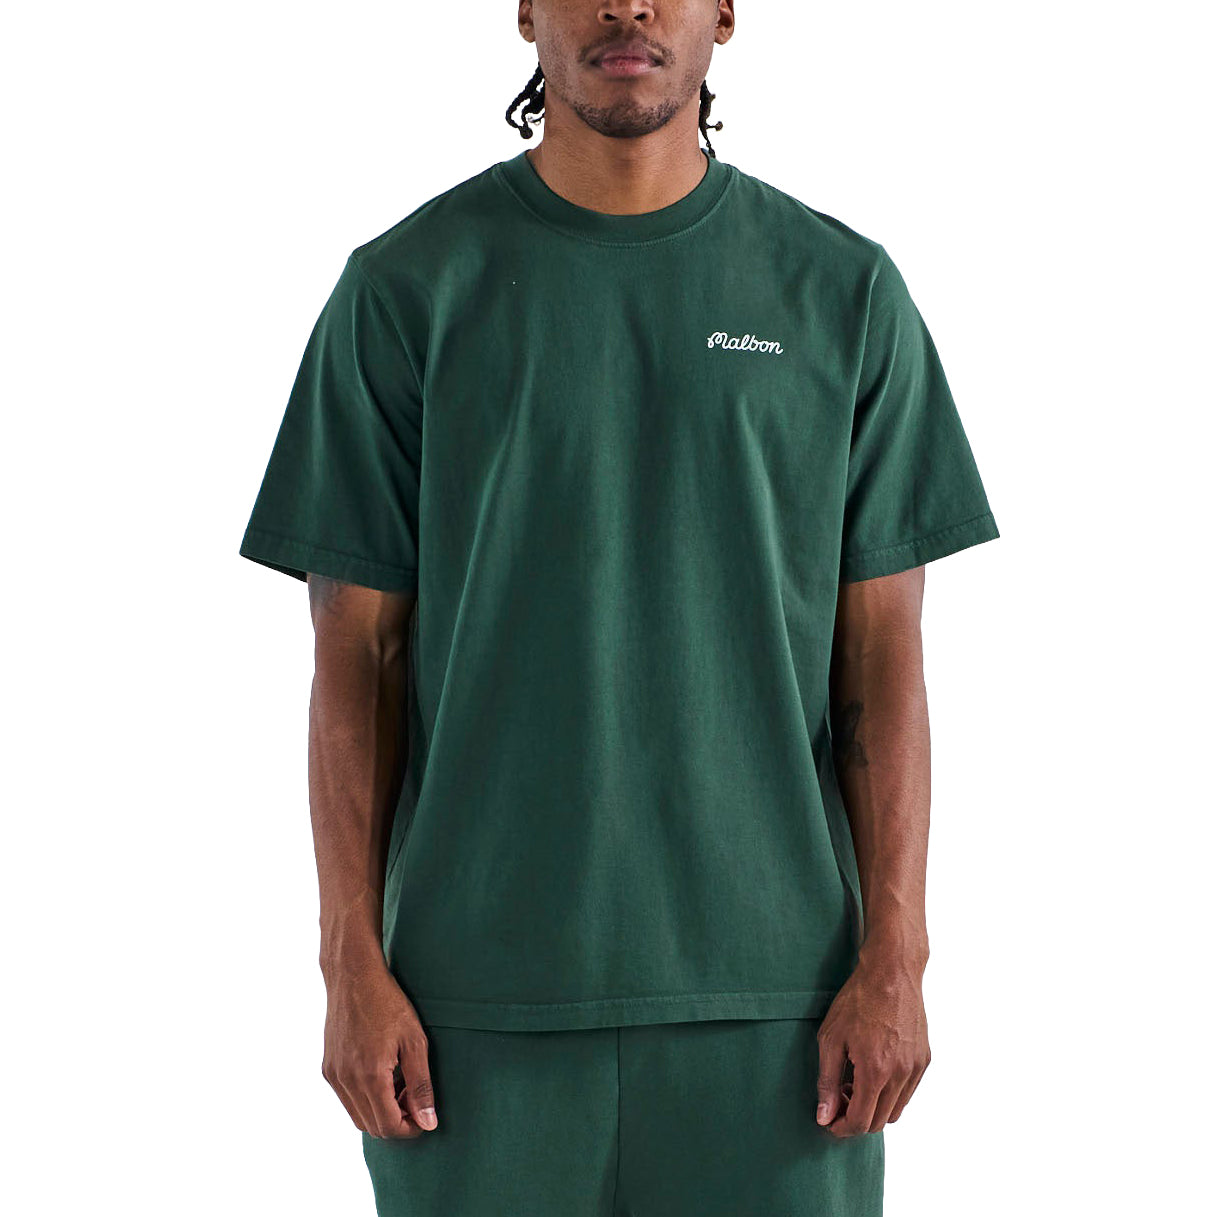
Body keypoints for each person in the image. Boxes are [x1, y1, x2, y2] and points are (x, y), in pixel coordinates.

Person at [237, 2, 999, 1213]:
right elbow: (353, 659)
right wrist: (348, 965)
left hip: (781, 1018)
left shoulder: (840, 291)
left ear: (725, 13)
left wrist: (896, 957)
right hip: (468, 1015)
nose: (627, 6)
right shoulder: (406, 290)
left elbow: (881, 666)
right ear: (525, 11)